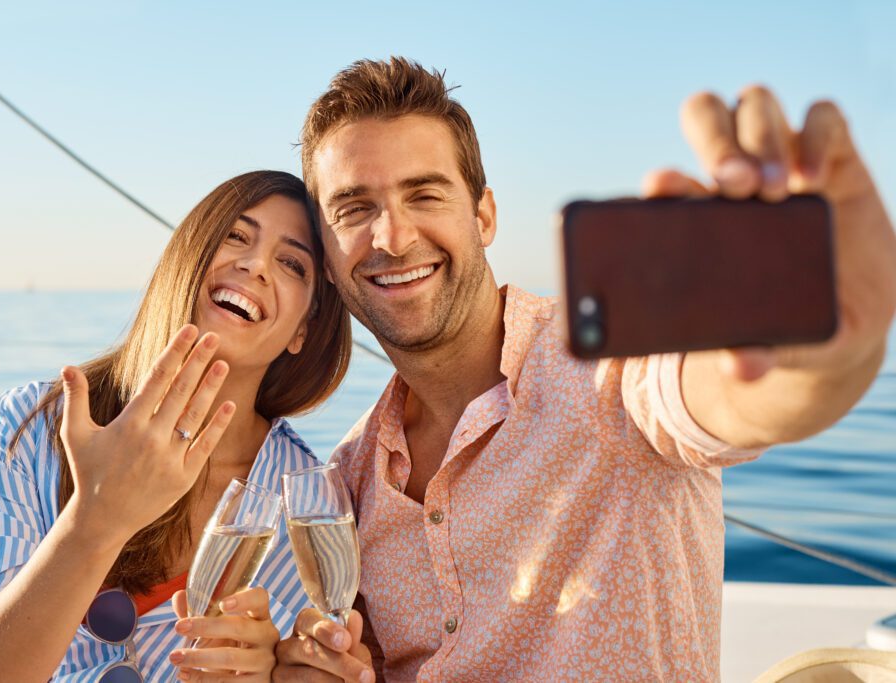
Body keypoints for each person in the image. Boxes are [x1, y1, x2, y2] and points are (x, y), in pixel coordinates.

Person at [272, 58, 896, 681]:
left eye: (424, 194)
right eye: (354, 208)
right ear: (327, 258)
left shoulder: (613, 370)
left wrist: (820, 342)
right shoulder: (348, 479)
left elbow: (737, 396)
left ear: (484, 216)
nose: (392, 235)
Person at [0, 170, 352, 682]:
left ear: (303, 329)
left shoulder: (305, 503)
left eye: (291, 263)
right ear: (187, 257)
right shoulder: (33, 428)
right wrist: (95, 520)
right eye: (236, 235)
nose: (255, 264)